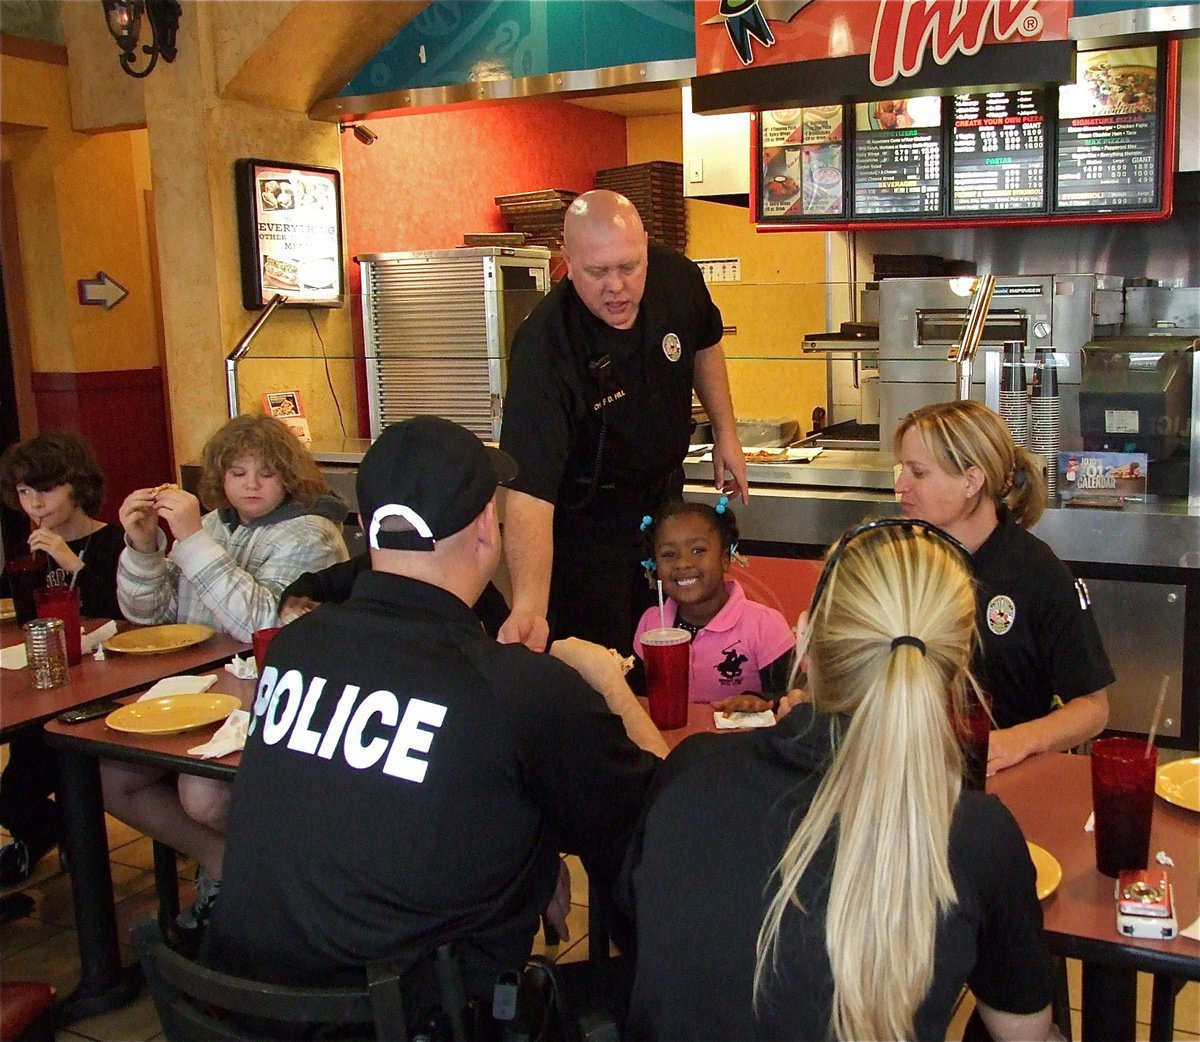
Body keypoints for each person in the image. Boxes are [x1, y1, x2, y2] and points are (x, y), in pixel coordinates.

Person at [205, 416, 666, 1036]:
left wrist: (532, 860)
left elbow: (382, 809)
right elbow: (667, 820)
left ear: (368, 530)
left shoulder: (295, 646)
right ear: (485, 527)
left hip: (240, 1011)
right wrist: (609, 683)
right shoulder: (517, 687)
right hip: (402, 1021)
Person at [618, 519, 1055, 1042]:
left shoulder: (691, 771)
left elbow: (636, 932)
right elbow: (1024, 1031)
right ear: (958, 662)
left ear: (806, 640)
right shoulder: (974, 833)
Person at [104, 414, 349, 930]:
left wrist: (192, 540)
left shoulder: (313, 535)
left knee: (202, 794)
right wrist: (144, 548)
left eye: (266, 473)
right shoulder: (215, 527)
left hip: (269, 702)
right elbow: (151, 618)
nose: (251, 485)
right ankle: (224, 866)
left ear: (289, 476)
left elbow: (261, 624)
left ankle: (281, 889)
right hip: (197, 693)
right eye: (238, 473)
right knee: (111, 777)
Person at [498, 189, 749, 657]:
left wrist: (726, 433)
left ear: (646, 247)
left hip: (665, 503)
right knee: (604, 662)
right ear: (566, 260)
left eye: (629, 267)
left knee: (674, 648)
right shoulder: (545, 346)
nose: (616, 286)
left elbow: (705, 343)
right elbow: (529, 494)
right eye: (597, 272)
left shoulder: (677, 277)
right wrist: (529, 606)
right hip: (589, 524)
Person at [894, 399, 1112, 774]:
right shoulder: (897, 561)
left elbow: (1093, 708)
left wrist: (1018, 742)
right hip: (906, 769)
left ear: (971, 481)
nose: (900, 486)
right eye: (901, 470)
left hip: (1002, 778)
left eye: (918, 472)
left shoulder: (1038, 574)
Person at [0, 431, 125, 886]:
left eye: (47, 489)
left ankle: (76, 837)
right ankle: (51, 832)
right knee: (12, 792)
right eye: (24, 491)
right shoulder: (27, 550)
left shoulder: (113, 542)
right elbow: (22, 617)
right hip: (44, 682)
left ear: (78, 486)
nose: (35, 503)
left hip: (107, 685)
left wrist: (72, 562)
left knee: (72, 773)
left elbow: (123, 613)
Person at [632, 497, 794, 707]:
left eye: (698, 550)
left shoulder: (764, 625)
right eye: (669, 554)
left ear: (725, 559)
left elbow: (795, 699)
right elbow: (637, 698)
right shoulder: (651, 624)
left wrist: (759, 702)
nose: (683, 563)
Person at [279, 552, 510, 637]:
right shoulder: (367, 566)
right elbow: (307, 588)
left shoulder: (468, 581)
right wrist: (298, 605)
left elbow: (503, 630)